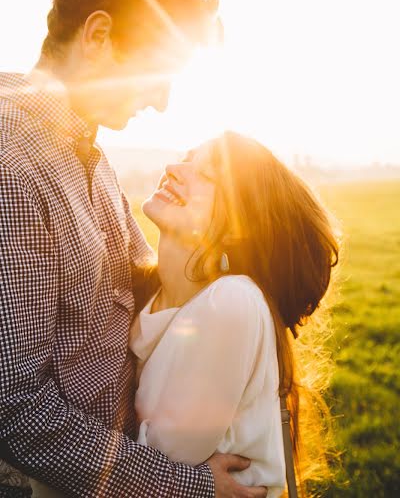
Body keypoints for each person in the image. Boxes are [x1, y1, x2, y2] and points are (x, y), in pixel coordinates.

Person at [0, 0, 268, 498]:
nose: (163, 102)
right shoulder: (12, 163)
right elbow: (14, 409)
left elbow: (141, 286)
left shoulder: (87, 158)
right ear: (99, 36)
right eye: (158, 72)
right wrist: (188, 487)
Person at [129, 131, 340, 497]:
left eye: (208, 175)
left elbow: (159, 471)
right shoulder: (149, 300)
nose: (174, 169)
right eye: (186, 156)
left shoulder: (232, 301)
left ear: (239, 226)